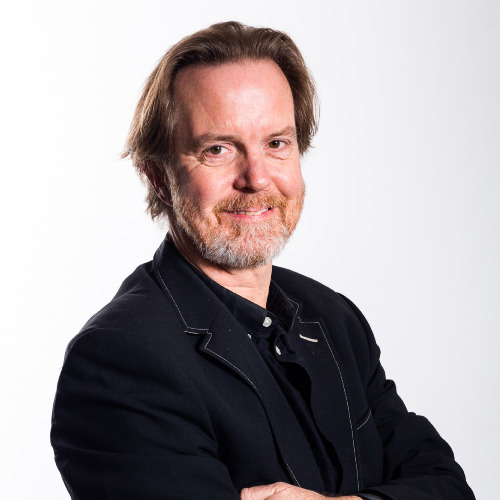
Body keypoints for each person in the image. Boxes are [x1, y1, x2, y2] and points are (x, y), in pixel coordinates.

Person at [50, 21, 475, 500]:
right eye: (217, 149)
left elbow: (449, 487)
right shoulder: (121, 358)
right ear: (158, 177)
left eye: (276, 144)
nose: (256, 178)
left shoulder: (333, 318)